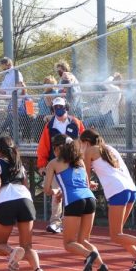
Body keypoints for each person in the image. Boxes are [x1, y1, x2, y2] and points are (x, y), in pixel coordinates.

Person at [80, 129, 136, 271]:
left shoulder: (89, 151)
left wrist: (86, 186)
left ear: (87, 142)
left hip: (117, 191)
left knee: (115, 235)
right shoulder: (109, 148)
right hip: (130, 189)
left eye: (81, 144)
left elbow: (85, 176)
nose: (81, 148)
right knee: (119, 235)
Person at [42, 135, 108, 271]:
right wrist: (63, 192)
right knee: (84, 240)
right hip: (90, 199)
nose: (53, 151)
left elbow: (46, 189)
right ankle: (102, 266)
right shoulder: (80, 161)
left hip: (74, 201)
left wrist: (55, 192)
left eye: (54, 148)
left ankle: (90, 256)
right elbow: (86, 183)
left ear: (59, 148)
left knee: (69, 243)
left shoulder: (54, 163)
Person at [0, 135, 47, 271]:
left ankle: (13, 252)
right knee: (27, 246)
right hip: (25, 199)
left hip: (6, 200)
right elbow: (26, 184)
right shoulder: (20, 164)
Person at [36, 97, 85, 234]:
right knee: (56, 193)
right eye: (56, 107)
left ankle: (72, 221)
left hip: (74, 162)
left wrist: (85, 161)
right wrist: (42, 164)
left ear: (66, 107)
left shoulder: (76, 122)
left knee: (74, 192)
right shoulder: (50, 125)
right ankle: (55, 222)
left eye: (61, 106)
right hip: (57, 164)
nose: (58, 109)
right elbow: (43, 146)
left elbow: (84, 141)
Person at [0, 56, 27, 136]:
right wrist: (0, 92)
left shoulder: (16, 73)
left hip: (17, 100)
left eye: (2, 66)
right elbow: (4, 87)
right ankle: (10, 137)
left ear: (7, 64)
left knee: (12, 116)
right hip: (10, 101)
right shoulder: (7, 75)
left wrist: (7, 92)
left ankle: (1, 130)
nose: (1, 68)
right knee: (11, 119)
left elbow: (20, 86)